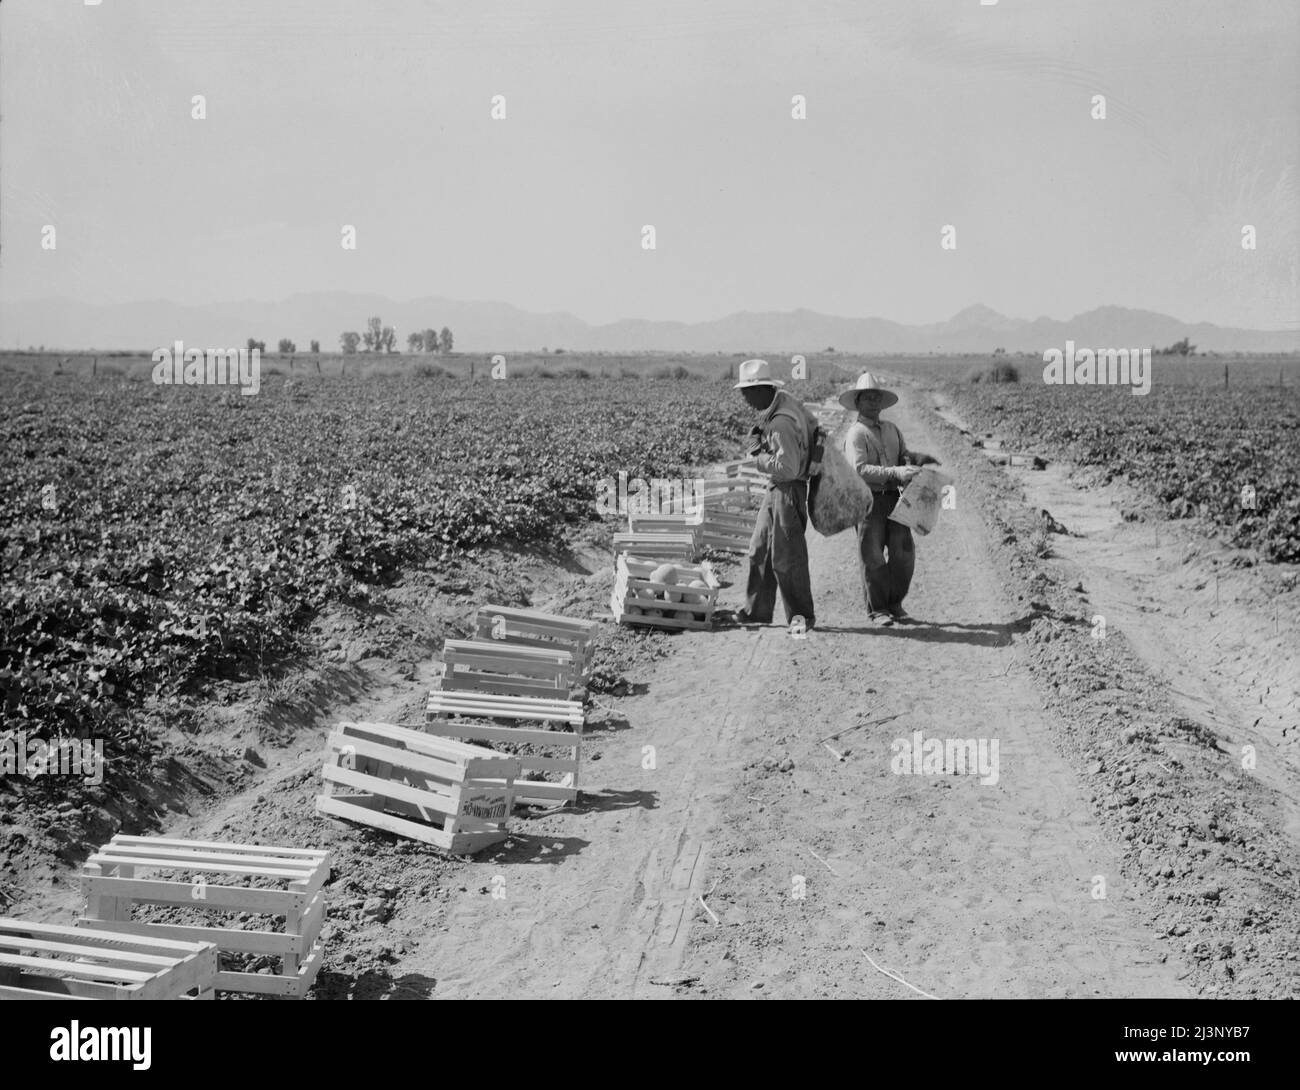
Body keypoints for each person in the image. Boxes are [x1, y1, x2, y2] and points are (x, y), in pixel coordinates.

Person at [839, 372, 940, 626]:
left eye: (877, 398)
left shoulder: (892, 429)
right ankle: (878, 609)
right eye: (868, 398)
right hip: (868, 502)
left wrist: (917, 460)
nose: (873, 403)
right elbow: (859, 470)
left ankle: (895, 603)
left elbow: (903, 456)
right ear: (858, 402)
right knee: (872, 556)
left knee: (903, 553)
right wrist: (896, 473)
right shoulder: (856, 434)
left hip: (895, 499)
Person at [732, 359, 822, 630]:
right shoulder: (782, 403)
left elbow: (788, 468)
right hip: (777, 488)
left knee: (787, 556)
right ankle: (756, 610)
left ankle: (802, 616)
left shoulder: (781, 421)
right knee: (760, 548)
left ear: (762, 389)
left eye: (747, 392)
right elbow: (816, 429)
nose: (745, 398)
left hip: (788, 489)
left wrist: (757, 456)